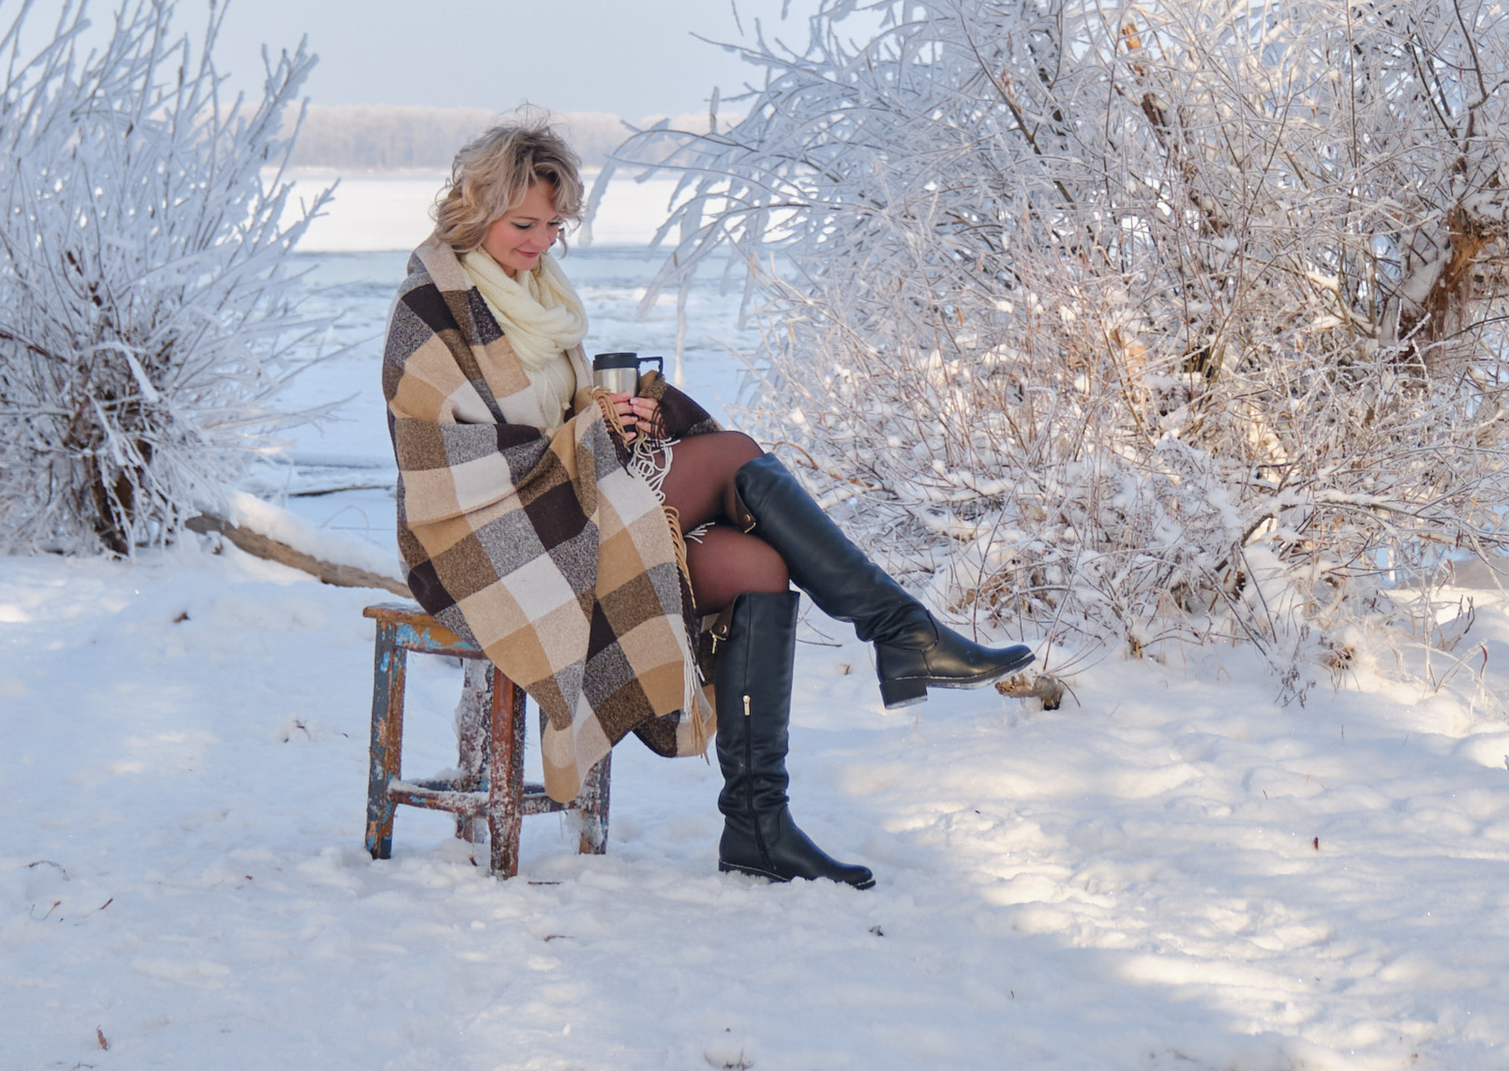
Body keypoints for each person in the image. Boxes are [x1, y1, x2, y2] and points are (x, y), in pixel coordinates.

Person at [381, 116, 1031, 890]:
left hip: (566, 508)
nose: (542, 242)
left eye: (555, 226)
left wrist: (618, 417)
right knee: (730, 455)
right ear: (475, 207)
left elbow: (555, 420)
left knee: (757, 567)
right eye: (524, 225)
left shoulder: (537, 297)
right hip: (487, 539)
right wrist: (589, 434)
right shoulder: (430, 310)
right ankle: (900, 630)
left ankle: (757, 826)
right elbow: (446, 463)